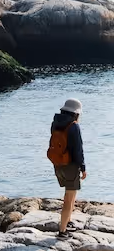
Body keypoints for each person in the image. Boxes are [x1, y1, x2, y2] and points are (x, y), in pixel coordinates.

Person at [49, 98, 86, 238]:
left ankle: (68, 221)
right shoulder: (74, 126)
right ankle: (62, 231)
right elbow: (78, 149)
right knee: (68, 198)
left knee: (71, 193)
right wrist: (83, 167)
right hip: (71, 165)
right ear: (76, 113)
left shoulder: (55, 123)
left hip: (58, 164)